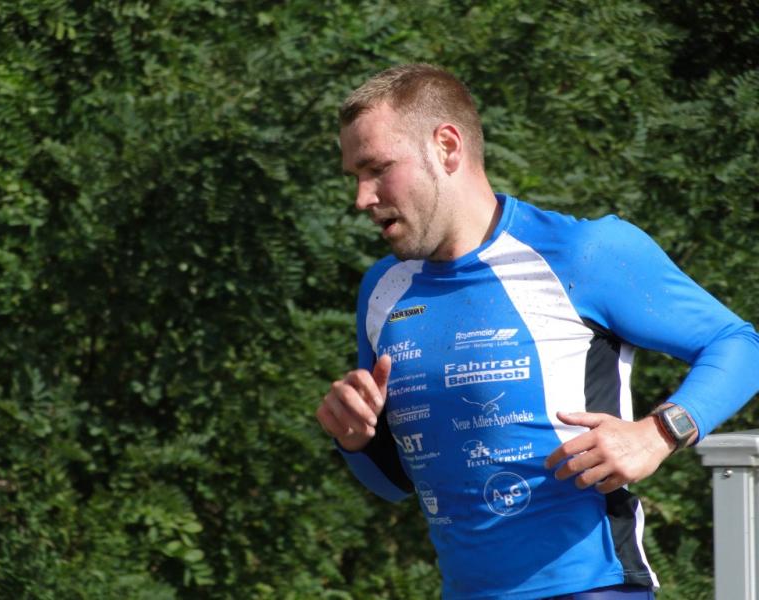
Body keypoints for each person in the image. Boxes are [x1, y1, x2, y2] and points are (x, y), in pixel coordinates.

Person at [315, 63, 759, 600]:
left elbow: (740, 345)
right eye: (355, 177)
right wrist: (355, 439)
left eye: (377, 168)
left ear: (447, 147)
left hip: (594, 588)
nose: (362, 197)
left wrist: (659, 433)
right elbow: (395, 484)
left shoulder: (582, 253)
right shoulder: (383, 290)